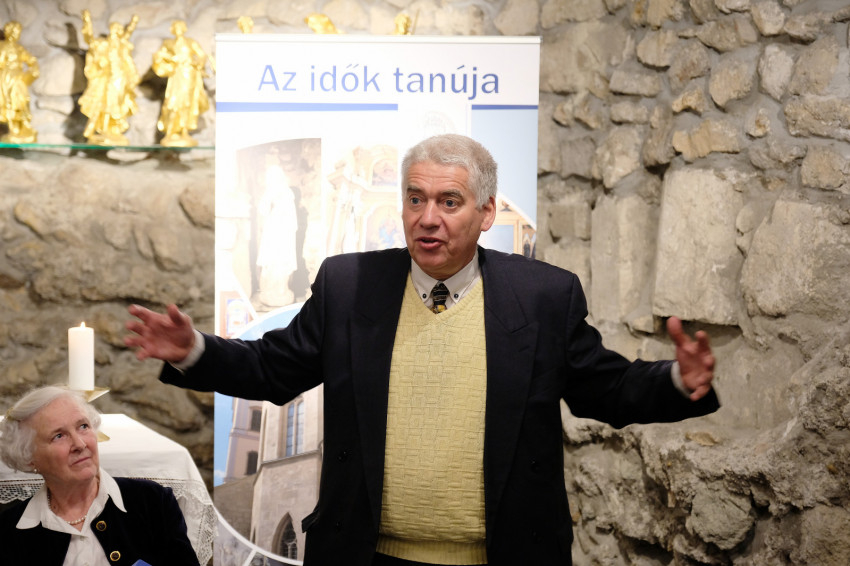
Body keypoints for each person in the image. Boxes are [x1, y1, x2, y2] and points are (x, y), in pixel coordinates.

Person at [125, 133, 719, 566]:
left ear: (487, 212)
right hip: (368, 555)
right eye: (415, 199)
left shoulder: (542, 296)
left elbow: (605, 388)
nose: (427, 218)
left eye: (449, 202)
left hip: (503, 555)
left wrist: (676, 380)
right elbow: (272, 369)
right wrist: (193, 349)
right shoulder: (350, 285)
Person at [0, 386, 200, 565]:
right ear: (29, 457)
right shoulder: (8, 533)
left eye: (83, 426)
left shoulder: (152, 502)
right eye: (59, 436)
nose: (80, 444)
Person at [78, 10, 139, 145]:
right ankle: (103, 129)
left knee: (118, 103)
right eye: (114, 29)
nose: (116, 33)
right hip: (107, 78)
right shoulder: (104, 44)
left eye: (118, 30)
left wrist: (133, 23)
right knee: (106, 103)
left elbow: (128, 37)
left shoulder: (122, 45)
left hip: (120, 78)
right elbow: (90, 40)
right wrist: (87, 22)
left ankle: (113, 130)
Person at [152, 20, 211, 148]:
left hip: (189, 75)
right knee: (172, 102)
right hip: (176, 75)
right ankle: (170, 131)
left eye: (180, 26)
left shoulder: (191, 42)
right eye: (175, 27)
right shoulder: (168, 43)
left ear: (184, 28)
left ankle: (184, 131)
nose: (178, 29)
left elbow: (201, 55)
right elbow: (159, 56)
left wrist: (196, 63)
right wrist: (167, 61)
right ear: (172, 29)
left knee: (187, 102)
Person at [0, 20, 39, 143]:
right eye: (16, 32)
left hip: (18, 78)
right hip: (7, 78)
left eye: (19, 32)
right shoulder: (3, 46)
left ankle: (21, 127)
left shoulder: (19, 48)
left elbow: (30, 59)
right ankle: (12, 128)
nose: (17, 34)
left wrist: (34, 66)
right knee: (8, 100)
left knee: (21, 100)